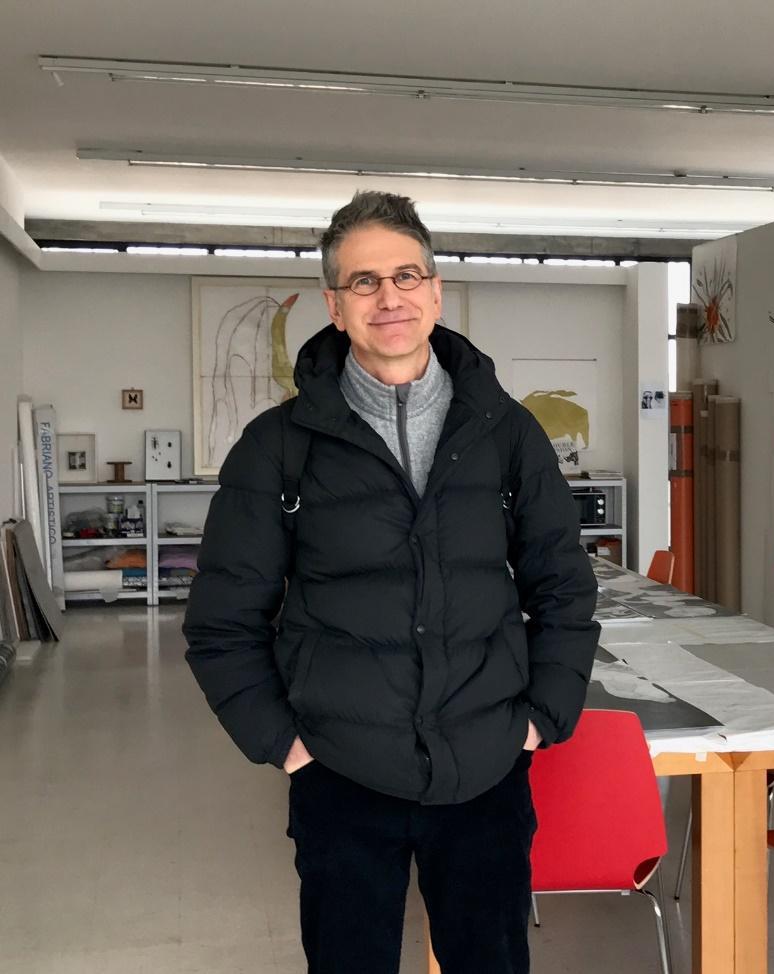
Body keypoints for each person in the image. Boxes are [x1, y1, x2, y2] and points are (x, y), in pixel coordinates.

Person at [183, 190, 599, 974]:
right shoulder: (276, 448)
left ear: (434, 292)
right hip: (340, 777)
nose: (389, 297)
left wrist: (539, 719)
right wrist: (286, 746)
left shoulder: (508, 434)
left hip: (485, 771)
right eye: (364, 282)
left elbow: (563, 587)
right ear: (335, 306)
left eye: (406, 276)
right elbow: (221, 623)